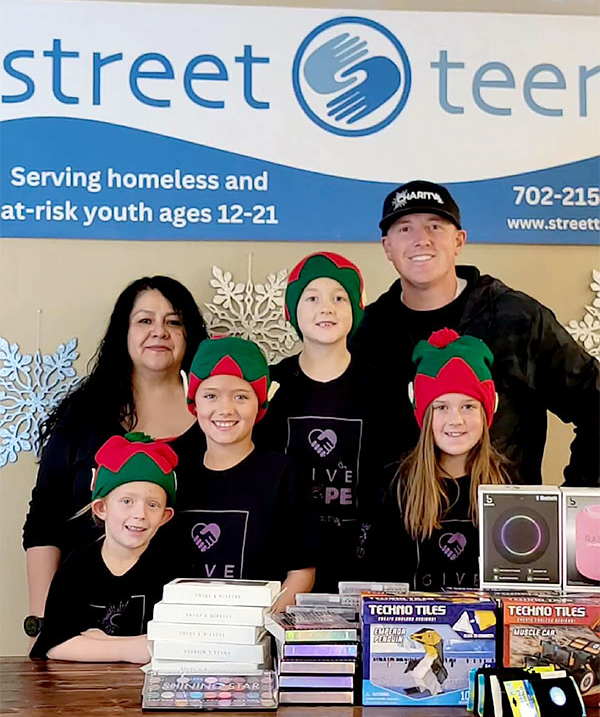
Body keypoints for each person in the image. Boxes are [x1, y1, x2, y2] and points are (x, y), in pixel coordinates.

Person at [351, 179, 599, 487]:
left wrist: (572, 499)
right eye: (405, 228)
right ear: (387, 246)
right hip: (401, 526)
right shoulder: (367, 331)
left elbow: (595, 402)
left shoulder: (517, 318)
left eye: (435, 226)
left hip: (502, 526)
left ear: (459, 240)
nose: (421, 240)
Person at [23, 275, 208, 642]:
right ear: (122, 333)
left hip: (183, 636)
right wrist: (46, 625)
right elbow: (45, 520)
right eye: (144, 321)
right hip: (83, 635)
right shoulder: (83, 417)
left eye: (174, 322)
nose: (160, 332)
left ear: (190, 335)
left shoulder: (217, 419)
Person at [256, 251, 404, 591]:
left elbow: (400, 478)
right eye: (312, 298)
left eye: (339, 298)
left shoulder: (383, 390)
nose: (327, 308)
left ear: (356, 308)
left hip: (366, 565)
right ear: (291, 310)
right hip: (285, 566)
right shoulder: (270, 387)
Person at [173, 336, 318, 612]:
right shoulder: (173, 475)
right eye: (210, 395)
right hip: (184, 633)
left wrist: (257, 625)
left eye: (240, 396)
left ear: (262, 402)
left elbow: (301, 573)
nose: (225, 409)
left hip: (256, 638)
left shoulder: (285, 475)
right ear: (193, 401)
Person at [364, 328, 510, 591]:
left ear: (489, 409)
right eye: (441, 407)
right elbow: (376, 586)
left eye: (468, 406)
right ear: (423, 413)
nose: (456, 420)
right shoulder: (395, 487)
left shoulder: (509, 487)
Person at [29, 433, 177, 662]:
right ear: (101, 508)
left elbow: (176, 643)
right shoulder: (77, 567)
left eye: (153, 505)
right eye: (127, 501)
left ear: (165, 516)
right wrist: (131, 648)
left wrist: (97, 642)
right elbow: (53, 644)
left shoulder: (172, 569)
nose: (140, 514)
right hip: (82, 692)